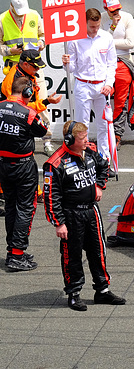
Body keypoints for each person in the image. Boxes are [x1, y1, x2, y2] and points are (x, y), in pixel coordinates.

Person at [43, 121, 126, 311]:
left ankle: (102, 291)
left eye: (87, 137)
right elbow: (50, 196)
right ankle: (74, 293)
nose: (87, 141)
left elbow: (104, 166)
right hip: (71, 214)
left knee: (99, 251)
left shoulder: (89, 152)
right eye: (82, 138)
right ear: (69, 140)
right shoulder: (55, 163)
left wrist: (99, 185)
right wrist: (59, 223)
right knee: (72, 255)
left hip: (92, 211)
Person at [0, 77, 48, 271]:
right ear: (27, 93)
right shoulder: (28, 112)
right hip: (23, 166)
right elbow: (42, 129)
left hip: (3, 165)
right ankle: (17, 255)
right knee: (26, 208)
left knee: (11, 206)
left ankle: (13, 250)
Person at [62, 8, 117, 177]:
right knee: (81, 125)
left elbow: (111, 64)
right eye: (92, 26)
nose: (95, 29)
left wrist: (109, 83)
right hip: (83, 85)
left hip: (102, 86)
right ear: (85, 23)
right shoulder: (75, 40)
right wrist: (66, 63)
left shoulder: (106, 37)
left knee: (104, 125)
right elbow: (72, 68)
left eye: (97, 26)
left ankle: (105, 160)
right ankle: (82, 161)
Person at [0, 0, 54, 155]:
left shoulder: (34, 15)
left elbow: (44, 36)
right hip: (14, 69)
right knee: (15, 105)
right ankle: (16, 140)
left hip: (33, 66)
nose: (21, 14)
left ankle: (47, 140)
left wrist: (41, 43)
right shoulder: (2, 19)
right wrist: (9, 50)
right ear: (11, 6)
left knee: (42, 102)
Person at [101, 0, 134, 150]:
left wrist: (107, 42)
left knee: (121, 101)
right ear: (106, 10)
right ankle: (105, 133)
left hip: (123, 62)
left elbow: (130, 43)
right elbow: (99, 41)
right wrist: (112, 27)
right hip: (104, 63)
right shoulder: (101, 18)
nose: (116, 13)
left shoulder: (127, 17)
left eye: (118, 9)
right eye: (112, 11)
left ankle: (117, 135)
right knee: (103, 99)